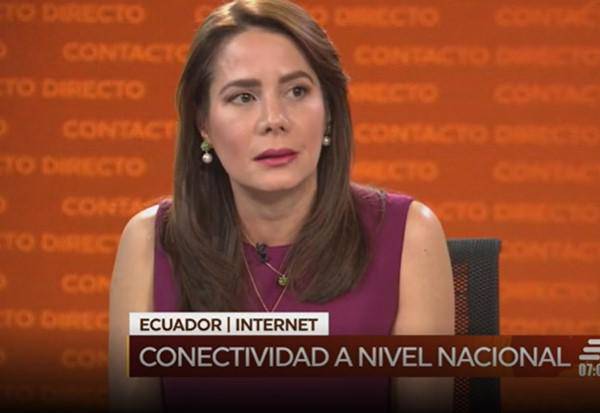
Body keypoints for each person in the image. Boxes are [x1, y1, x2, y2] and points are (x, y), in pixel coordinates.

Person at [108, 0, 455, 412]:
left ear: (329, 111)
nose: (274, 119)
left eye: (297, 91)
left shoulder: (409, 236)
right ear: (204, 124)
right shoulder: (150, 243)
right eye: (243, 97)